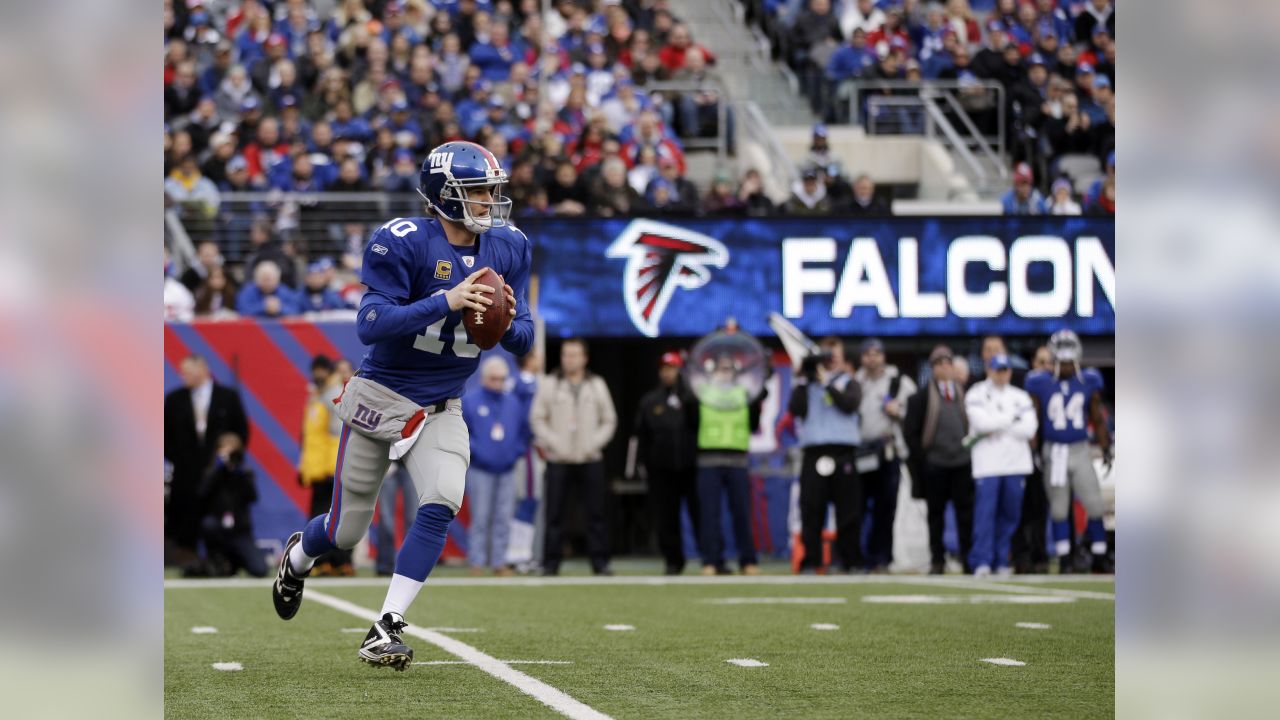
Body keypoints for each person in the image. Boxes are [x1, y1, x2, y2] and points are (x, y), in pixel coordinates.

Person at [271, 140, 534, 672]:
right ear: (445, 196)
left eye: (490, 189)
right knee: (346, 532)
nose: (489, 200)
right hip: (382, 399)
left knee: (442, 498)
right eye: (478, 191)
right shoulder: (405, 241)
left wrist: (502, 321)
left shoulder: (508, 247)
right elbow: (369, 325)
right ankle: (298, 558)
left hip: (443, 404)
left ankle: (385, 625)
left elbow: (525, 337)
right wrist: (448, 300)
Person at [1024, 329, 1113, 573]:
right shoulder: (1039, 382)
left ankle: (1099, 555)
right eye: (1060, 359)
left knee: (1094, 504)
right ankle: (1064, 559)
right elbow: (1032, 421)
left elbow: (1096, 416)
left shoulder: (1089, 380)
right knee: (1059, 508)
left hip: (1080, 449)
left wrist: (1106, 446)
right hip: (1054, 451)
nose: (1064, 364)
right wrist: (1033, 450)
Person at [530, 338, 618, 576]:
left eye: (574, 354)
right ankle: (551, 563)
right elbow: (537, 418)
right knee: (555, 514)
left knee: (596, 513)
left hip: (590, 458)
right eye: (566, 354)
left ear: (585, 358)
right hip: (559, 459)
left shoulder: (596, 385)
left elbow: (609, 420)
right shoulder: (550, 384)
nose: (569, 359)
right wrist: (553, 443)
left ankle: (600, 563)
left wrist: (594, 443)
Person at [691, 338, 768, 576]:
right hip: (709, 460)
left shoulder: (745, 394)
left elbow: (755, 422)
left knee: (742, 514)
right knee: (709, 515)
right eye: (720, 367)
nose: (725, 372)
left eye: (729, 367)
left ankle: (748, 560)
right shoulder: (702, 392)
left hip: (737, 460)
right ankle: (710, 561)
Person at [164, 354, 249, 564]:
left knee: (218, 517)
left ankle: (222, 558)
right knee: (184, 518)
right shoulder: (175, 399)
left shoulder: (227, 397)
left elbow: (241, 431)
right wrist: (180, 459)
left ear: (202, 369)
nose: (182, 376)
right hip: (185, 474)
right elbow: (164, 435)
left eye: (187, 372)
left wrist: (230, 457)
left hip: (220, 475)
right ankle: (186, 557)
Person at [790, 337, 863, 573]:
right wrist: (802, 378)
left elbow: (849, 404)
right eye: (826, 356)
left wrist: (827, 383)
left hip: (843, 452)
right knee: (811, 509)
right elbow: (795, 410)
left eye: (834, 356)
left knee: (848, 511)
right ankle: (812, 560)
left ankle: (850, 561)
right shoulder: (806, 385)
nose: (830, 361)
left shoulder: (848, 382)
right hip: (814, 452)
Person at [964, 354, 1038, 577]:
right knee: (985, 515)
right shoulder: (976, 392)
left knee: (1010, 515)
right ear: (989, 370)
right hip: (987, 464)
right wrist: (1011, 419)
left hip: (1016, 464)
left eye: (1005, 370)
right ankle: (981, 560)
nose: (1002, 373)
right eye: (998, 369)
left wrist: (996, 424)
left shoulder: (1020, 395)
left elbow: (1029, 429)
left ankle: (1001, 559)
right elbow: (980, 423)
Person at [903, 345, 974, 574]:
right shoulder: (920, 398)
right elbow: (910, 433)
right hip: (935, 465)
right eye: (939, 364)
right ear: (932, 369)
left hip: (962, 463)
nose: (944, 368)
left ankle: (967, 557)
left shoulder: (968, 394)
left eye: (948, 363)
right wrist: (925, 461)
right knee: (936, 517)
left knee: (966, 514)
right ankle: (937, 559)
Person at [461, 357, 531, 577]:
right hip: (480, 469)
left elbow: (524, 432)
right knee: (480, 517)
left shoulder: (513, 402)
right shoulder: (471, 401)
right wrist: (477, 451)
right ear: (484, 378)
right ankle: (477, 562)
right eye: (494, 379)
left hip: (508, 469)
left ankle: (499, 561)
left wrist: (515, 452)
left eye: (502, 379)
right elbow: (463, 433)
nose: (498, 383)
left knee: (503, 517)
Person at [633, 351, 700, 575]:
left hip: (691, 466)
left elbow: (697, 425)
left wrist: (688, 398)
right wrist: (643, 463)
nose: (668, 373)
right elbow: (642, 435)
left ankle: (709, 559)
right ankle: (673, 561)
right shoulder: (651, 401)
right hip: (661, 469)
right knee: (666, 517)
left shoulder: (692, 397)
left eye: (672, 368)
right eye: (664, 369)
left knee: (699, 514)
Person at [853, 338, 916, 573]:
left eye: (876, 353)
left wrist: (898, 410)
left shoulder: (898, 382)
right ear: (861, 358)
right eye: (867, 354)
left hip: (887, 451)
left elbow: (915, 412)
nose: (872, 358)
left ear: (884, 356)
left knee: (885, 508)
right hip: (860, 451)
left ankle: (882, 557)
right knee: (857, 508)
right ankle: (859, 558)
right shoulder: (855, 382)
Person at [296, 355, 353, 576]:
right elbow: (311, 438)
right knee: (327, 515)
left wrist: (334, 466)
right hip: (319, 466)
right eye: (315, 370)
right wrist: (305, 467)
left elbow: (338, 434)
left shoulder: (332, 394)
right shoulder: (318, 395)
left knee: (327, 516)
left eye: (321, 370)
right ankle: (332, 562)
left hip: (330, 466)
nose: (317, 374)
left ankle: (332, 561)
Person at [193, 432, 267, 577]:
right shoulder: (212, 473)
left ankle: (236, 561)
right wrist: (218, 469)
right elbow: (201, 494)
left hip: (240, 532)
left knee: (260, 569)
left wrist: (238, 472)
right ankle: (218, 560)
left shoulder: (245, 473)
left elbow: (253, 497)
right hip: (219, 530)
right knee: (208, 525)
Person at [1011, 344, 1052, 573]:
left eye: (1050, 362)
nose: (1046, 367)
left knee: (1048, 510)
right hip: (1025, 458)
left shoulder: (1061, 389)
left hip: (1054, 456)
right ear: (1032, 365)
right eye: (1041, 362)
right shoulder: (1022, 395)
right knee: (1026, 508)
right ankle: (1023, 556)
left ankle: (1043, 554)